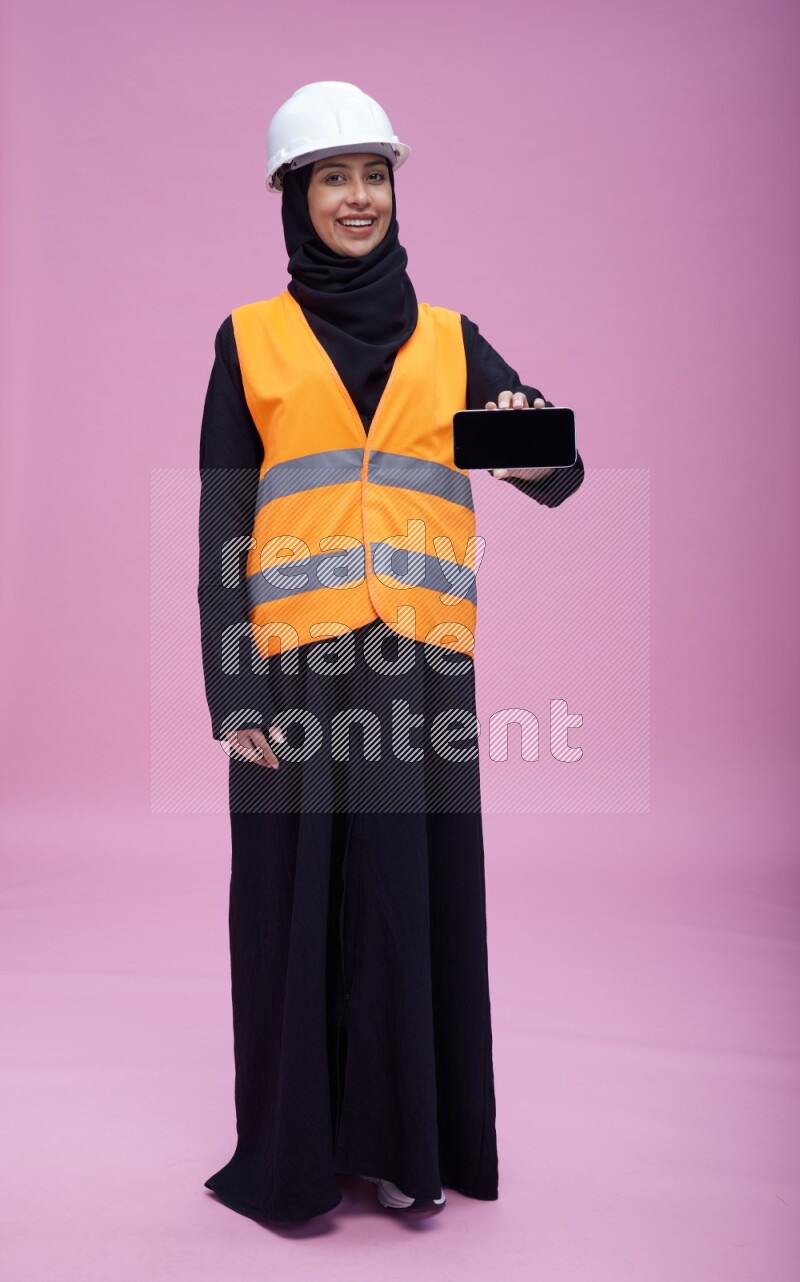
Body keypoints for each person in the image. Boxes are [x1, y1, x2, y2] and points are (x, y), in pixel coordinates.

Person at [197, 81, 585, 1224]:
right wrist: (231, 692)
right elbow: (224, 524)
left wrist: (521, 442)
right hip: (293, 667)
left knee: (409, 908)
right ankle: (295, 1159)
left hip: (419, 671)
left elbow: (556, 469)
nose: (357, 198)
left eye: (373, 176)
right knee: (289, 906)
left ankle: (410, 1149)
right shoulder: (251, 341)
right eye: (332, 178)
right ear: (292, 197)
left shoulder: (448, 340)